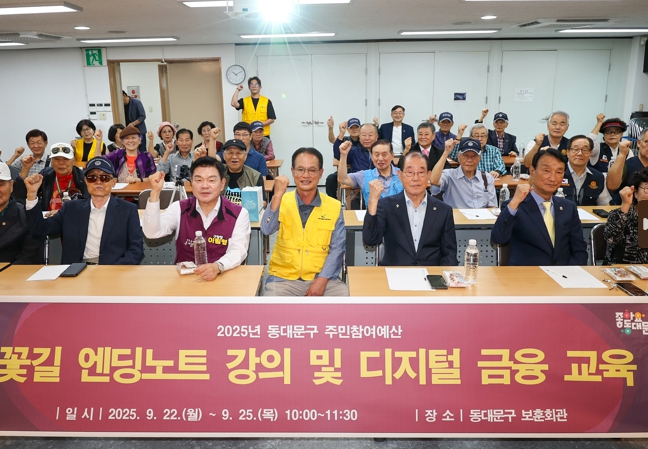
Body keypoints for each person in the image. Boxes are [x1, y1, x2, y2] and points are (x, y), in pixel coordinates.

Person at [142, 157, 251, 281]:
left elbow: (238, 251)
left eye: (211, 180)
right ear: (191, 183)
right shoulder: (179, 208)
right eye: (199, 180)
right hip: (186, 280)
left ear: (222, 184)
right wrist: (155, 192)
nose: (204, 186)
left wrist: (218, 267)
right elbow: (152, 233)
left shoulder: (239, 213)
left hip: (223, 277)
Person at [24, 157, 143, 265]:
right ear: (86, 181)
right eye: (92, 178)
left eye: (104, 178)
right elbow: (39, 229)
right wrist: (32, 194)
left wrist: (113, 270)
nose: (98, 182)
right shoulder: (71, 208)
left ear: (113, 182)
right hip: (75, 271)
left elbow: (136, 250)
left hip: (113, 271)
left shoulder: (128, 210)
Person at [262, 147, 347, 296]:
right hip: (283, 279)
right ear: (292, 171)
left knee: (346, 305)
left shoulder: (333, 206)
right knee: (273, 309)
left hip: (324, 278)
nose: (306, 175)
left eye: (312, 170)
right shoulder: (281, 200)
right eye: (300, 170)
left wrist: (321, 281)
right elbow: (266, 229)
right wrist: (277, 196)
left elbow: (337, 249)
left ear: (321, 173)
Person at [491, 148, 588, 266]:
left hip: (563, 274)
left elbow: (579, 249)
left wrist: (572, 272)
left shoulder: (568, 207)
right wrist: (514, 202)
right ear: (532, 171)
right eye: (547, 171)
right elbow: (498, 239)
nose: (553, 178)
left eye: (559, 172)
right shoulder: (516, 206)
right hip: (528, 274)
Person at [363, 151, 458, 266]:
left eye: (421, 172)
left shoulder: (443, 210)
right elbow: (371, 240)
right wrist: (373, 202)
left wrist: (442, 275)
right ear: (400, 175)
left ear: (428, 175)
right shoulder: (386, 206)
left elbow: (449, 254)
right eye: (410, 172)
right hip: (396, 272)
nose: (415, 178)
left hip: (430, 273)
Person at [13, 143, 88, 213]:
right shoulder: (46, 175)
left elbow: (88, 205)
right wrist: (25, 169)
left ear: (73, 160)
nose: (61, 163)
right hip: (49, 218)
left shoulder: (83, 177)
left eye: (66, 159)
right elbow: (20, 195)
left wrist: (61, 213)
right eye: (56, 159)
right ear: (51, 161)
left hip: (74, 218)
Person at [431, 138, 497, 209]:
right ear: (459, 157)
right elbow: (434, 181)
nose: (470, 160)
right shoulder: (449, 175)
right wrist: (446, 152)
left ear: (479, 158)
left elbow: (492, 207)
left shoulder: (487, 178)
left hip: (482, 216)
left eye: (474, 156)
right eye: (465, 155)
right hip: (456, 216)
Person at [0, 162, 44, 264]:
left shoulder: (26, 217)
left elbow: (30, 256)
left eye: (0, 185)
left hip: (13, 271)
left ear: (11, 186)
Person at [337, 139, 403, 206]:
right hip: (374, 212)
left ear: (392, 156)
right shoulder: (364, 175)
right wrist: (343, 155)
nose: (380, 159)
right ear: (371, 156)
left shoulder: (403, 174)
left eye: (384, 155)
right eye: (376, 155)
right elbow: (343, 179)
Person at [603, 168, 648, 265]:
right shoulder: (619, 214)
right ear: (635, 192)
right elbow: (611, 240)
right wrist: (625, 205)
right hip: (620, 270)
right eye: (647, 189)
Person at [562, 135, 611, 206]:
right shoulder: (556, 173)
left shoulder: (598, 177)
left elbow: (604, 204)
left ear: (590, 153)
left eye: (585, 150)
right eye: (575, 149)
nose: (580, 153)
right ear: (568, 152)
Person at [220, 139, 267, 207]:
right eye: (230, 153)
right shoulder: (218, 172)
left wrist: (251, 205)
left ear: (245, 156)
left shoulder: (255, 176)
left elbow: (264, 201)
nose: (234, 157)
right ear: (224, 156)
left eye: (238, 153)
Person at [326, 117, 362, 199]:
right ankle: (334, 201)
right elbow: (333, 141)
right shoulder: (345, 139)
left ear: (360, 128)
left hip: (360, 169)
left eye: (356, 127)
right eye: (351, 127)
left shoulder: (364, 140)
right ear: (348, 130)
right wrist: (331, 128)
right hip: (346, 170)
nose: (354, 129)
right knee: (331, 179)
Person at [606, 131, 646, 204]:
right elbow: (611, 185)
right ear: (639, 143)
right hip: (623, 207)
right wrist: (622, 154)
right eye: (647, 142)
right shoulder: (626, 165)